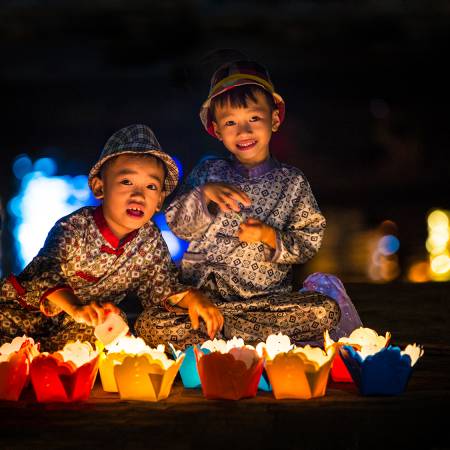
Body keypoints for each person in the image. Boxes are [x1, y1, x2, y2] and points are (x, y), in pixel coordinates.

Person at [144, 60, 361, 349]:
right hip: (203, 300)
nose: (243, 131)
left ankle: (225, 335)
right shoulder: (208, 172)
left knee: (325, 311)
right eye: (231, 122)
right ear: (218, 130)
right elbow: (177, 225)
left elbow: (309, 239)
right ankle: (247, 336)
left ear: (274, 120)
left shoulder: (292, 182)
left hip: (263, 303)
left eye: (254, 119)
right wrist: (204, 196)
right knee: (151, 324)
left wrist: (269, 236)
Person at [0, 124, 223, 351]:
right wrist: (76, 307)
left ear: (158, 201)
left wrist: (194, 298)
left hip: (79, 326)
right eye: (126, 182)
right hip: (23, 316)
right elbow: (45, 273)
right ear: (99, 187)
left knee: (120, 325)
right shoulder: (74, 227)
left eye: (151, 186)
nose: (139, 194)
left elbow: (162, 286)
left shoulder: (150, 241)